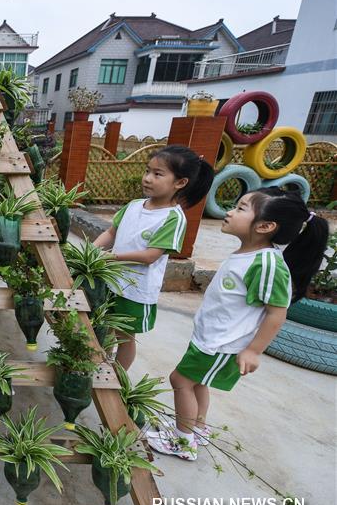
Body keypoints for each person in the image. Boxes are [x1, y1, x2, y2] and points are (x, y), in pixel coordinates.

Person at [148, 188, 328, 461]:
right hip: (212, 337)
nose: (230, 211)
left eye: (241, 208)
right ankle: (196, 428)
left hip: (222, 344)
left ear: (265, 226)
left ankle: (182, 442)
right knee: (198, 384)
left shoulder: (266, 264)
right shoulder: (249, 253)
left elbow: (277, 312)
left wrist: (253, 350)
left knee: (180, 380)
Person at [93, 145, 214, 370]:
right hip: (111, 281)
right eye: (147, 171)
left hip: (136, 290)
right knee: (104, 327)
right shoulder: (133, 206)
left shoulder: (173, 218)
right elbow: (112, 232)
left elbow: (150, 256)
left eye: (157, 174)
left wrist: (111, 257)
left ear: (180, 183)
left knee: (125, 336)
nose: (147, 178)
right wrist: (92, 250)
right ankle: (100, 369)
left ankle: (117, 379)